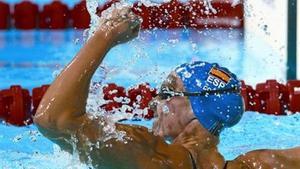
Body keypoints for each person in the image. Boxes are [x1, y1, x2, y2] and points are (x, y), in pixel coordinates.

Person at [34, 6, 300, 169]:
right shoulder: (261, 163)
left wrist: (106, 36)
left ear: (196, 109)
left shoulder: (154, 158)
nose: (153, 103)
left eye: (166, 93)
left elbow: (54, 119)